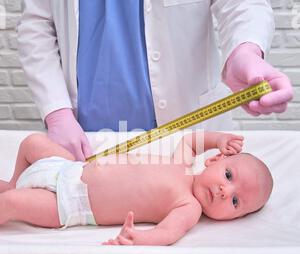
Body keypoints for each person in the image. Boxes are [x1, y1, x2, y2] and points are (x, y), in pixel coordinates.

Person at [17, 1, 293, 161]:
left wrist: (244, 51)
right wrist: (57, 113)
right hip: (83, 141)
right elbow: (37, 24)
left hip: (188, 134)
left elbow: (242, 3)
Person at [0, 131, 273, 246]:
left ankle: (12, 192)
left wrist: (136, 238)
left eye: (236, 202)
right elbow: (191, 140)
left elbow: (166, 233)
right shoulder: (184, 163)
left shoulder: (188, 206)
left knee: (12, 203)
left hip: (69, 203)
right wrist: (219, 138)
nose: (226, 191)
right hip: (69, 168)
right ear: (214, 160)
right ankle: (14, 181)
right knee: (32, 143)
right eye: (228, 175)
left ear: (234, 218)